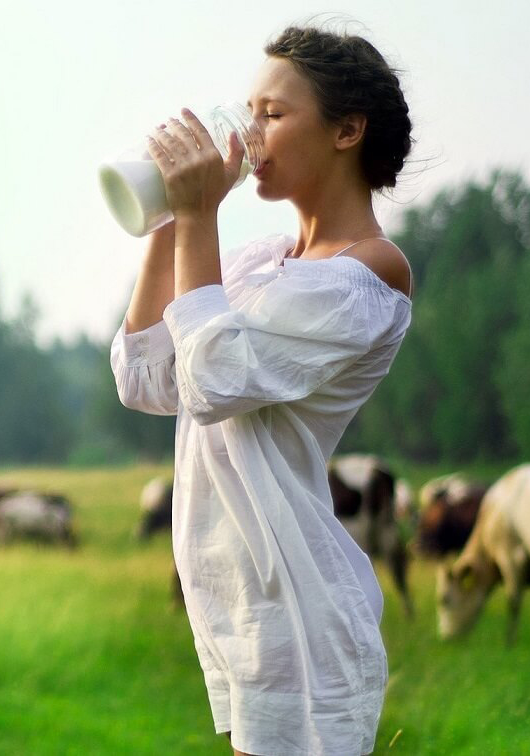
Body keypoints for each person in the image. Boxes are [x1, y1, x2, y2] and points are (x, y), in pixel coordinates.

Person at [109, 24, 415, 756]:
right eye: (249, 111)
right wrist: (163, 211)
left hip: (303, 611)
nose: (250, 132)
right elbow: (146, 379)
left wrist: (197, 214)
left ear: (347, 130)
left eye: (273, 114)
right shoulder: (253, 262)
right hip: (242, 611)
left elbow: (213, 380)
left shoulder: (370, 272)